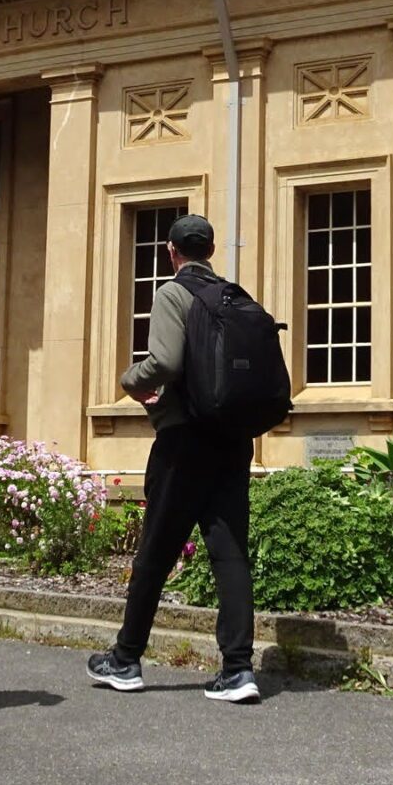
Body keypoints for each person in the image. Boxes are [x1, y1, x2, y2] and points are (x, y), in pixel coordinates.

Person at [87, 214, 259, 703]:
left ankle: (125, 659)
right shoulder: (233, 294)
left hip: (184, 440)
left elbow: (164, 362)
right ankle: (239, 670)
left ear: (171, 251)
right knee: (229, 552)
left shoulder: (173, 293)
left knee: (156, 552)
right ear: (208, 250)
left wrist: (130, 381)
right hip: (232, 439)